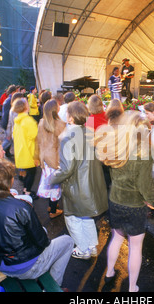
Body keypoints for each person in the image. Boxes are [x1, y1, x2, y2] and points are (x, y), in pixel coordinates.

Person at [0, 159, 74, 286]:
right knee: (67, 241)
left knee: (42, 233)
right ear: (10, 182)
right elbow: (42, 242)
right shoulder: (22, 206)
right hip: (24, 268)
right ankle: (54, 284)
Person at [95, 111, 154, 292]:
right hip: (135, 206)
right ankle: (132, 287)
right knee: (136, 248)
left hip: (115, 200)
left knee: (116, 237)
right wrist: (153, 202)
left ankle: (109, 273)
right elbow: (145, 186)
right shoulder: (144, 152)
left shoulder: (116, 147)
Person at [50, 101, 108, 260]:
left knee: (73, 219)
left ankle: (83, 249)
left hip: (77, 186)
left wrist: (52, 178)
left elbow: (67, 168)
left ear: (70, 119)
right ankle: (91, 247)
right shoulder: (90, 132)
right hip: (91, 184)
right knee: (86, 216)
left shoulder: (67, 136)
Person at [34, 99, 65, 219]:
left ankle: (51, 206)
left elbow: (39, 141)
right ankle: (53, 211)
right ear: (55, 109)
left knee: (50, 183)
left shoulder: (41, 122)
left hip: (45, 159)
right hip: (56, 160)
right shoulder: (60, 124)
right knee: (56, 187)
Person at [12, 97, 38, 198]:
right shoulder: (28, 120)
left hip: (20, 152)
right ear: (25, 107)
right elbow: (35, 137)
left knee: (28, 173)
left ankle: (25, 189)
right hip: (30, 153)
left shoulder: (17, 120)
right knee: (32, 173)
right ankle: (27, 192)